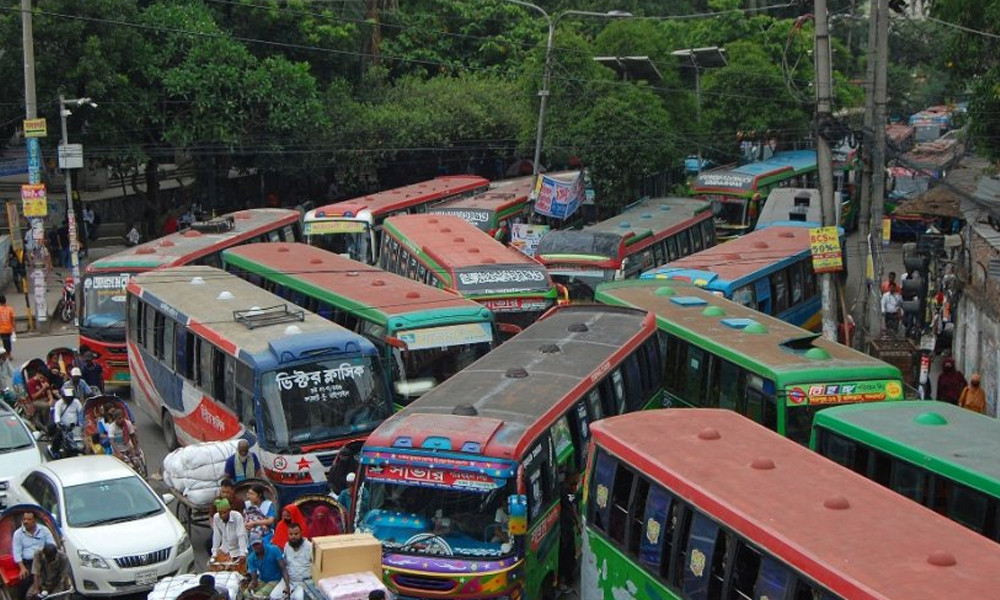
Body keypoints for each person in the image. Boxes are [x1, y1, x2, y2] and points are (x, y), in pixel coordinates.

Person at [12, 512, 56, 600]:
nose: (25, 521)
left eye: (29, 519)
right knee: (24, 580)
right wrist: (22, 567)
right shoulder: (18, 533)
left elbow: (52, 545)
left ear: (34, 520)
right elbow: (16, 552)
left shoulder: (44, 530)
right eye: (24, 519)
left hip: (44, 560)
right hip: (28, 563)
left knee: (51, 579)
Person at [270, 522, 310, 600]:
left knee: (299, 597)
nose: (293, 537)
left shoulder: (309, 546)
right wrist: (287, 586)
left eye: (296, 534)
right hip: (289, 580)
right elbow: (285, 566)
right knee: (274, 596)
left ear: (301, 533)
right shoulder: (287, 546)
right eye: (291, 534)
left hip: (303, 582)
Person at [244, 532, 289, 600]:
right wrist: (252, 585)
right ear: (251, 546)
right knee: (246, 594)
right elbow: (254, 578)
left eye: (258, 544)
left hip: (275, 580)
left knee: (259, 595)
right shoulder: (251, 558)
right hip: (262, 579)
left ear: (262, 542)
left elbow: (283, 569)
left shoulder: (274, 550)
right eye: (254, 545)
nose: (257, 547)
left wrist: (287, 585)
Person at [557, 470, 582, 593]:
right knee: (566, 556)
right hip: (564, 531)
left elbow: (573, 508)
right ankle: (563, 581)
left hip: (568, 529)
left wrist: (577, 523)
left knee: (569, 555)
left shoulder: (566, 492)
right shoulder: (563, 492)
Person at [211, 498, 248, 569]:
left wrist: (243, 553)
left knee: (237, 570)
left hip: (237, 549)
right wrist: (214, 553)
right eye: (220, 513)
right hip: (224, 549)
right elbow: (216, 536)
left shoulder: (237, 516)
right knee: (213, 567)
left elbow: (241, 535)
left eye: (224, 512)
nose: (222, 515)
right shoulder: (216, 517)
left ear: (229, 510)